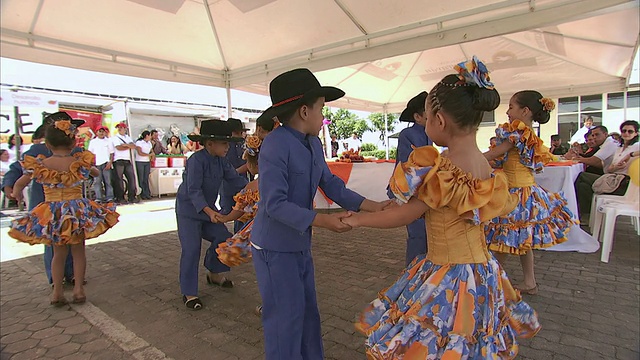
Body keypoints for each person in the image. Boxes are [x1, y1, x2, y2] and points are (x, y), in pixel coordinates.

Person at [343, 57, 540, 358]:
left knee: (437, 340)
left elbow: (406, 214)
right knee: (470, 340)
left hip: (448, 276)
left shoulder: (441, 169)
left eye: (427, 114)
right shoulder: (486, 168)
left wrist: (359, 220)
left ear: (439, 120)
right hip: (482, 273)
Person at [250, 68, 391, 360]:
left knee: (308, 314)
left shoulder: (312, 143)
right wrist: (322, 220)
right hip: (274, 248)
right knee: (284, 321)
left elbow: (330, 184)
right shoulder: (275, 145)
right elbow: (273, 204)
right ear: (304, 111)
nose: (323, 117)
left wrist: (372, 206)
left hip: (299, 243)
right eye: (321, 110)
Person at [8, 118, 119, 305]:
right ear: (74, 142)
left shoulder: (41, 164)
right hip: (76, 212)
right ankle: (78, 290)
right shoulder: (78, 163)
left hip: (53, 213)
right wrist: (87, 168)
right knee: (78, 252)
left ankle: (57, 293)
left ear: (48, 143)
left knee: (58, 254)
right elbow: (97, 173)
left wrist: (16, 193)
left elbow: (21, 182)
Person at [484, 90, 576, 295]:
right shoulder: (527, 133)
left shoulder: (519, 131)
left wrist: (469, 157)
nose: (507, 111)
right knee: (520, 240)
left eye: (511, 107)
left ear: (524, 111)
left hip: (516, 193)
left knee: (503, 238)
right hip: (524, 192)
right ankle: (528, 282)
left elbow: (496, 153)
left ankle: (494, 281)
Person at [2, 114, 85, 286]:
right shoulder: (36, 152)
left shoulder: (77, 152)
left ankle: (70, 275)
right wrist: (9, 186)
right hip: (46, 206)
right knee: (54, 244)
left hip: (71, 206)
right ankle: (56, 279)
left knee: (70, 241)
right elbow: (16, 169)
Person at [175, 120, 248, 310]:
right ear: (209, 144)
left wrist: (258, 188)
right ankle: (189, 292)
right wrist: (210, 212)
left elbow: (235, 180)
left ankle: (214, 274)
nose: (228, 147)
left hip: (208, 212)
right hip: (189, 212)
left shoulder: (221, 162)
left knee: (223, 237)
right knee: (191, 249)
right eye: (224, 143)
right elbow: (193, 191)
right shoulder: (195, 161)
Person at [391, 90, 432, 265]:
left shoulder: (429, 134)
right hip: (411, 190)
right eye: (429, 113)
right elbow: (411, 165)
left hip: (424, 190)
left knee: (426, 233)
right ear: (418, 116)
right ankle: (412, 270)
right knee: (417, 233)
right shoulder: (408, 135)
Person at [216, 134, 262, 267]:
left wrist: (224, 218)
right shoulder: (284, 182)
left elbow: (238, 211)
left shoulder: (252, 187)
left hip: (263, 235)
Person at [574, 125, 619, 218]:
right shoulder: (607, 144)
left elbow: (593, 160)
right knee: (582, 185)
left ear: (605, 134)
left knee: (580, 176)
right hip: (610, 178)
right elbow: (600, 163)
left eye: (597, 135)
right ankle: (587, 214)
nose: (594, 138)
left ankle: (581, 212)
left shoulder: (609, 144)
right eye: (593, 135)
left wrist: (576, 159)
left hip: (614, 181)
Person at [220, 118, 250, 233]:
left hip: (242, 183)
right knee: (226, 211)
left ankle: (238, 237)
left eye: (240, 133)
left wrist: (234, 173)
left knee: (242, 212)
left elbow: (249, 164)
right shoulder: (225, 146)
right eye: (236, 132)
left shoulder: (246, 145)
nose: (239, 135)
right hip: (227, 185)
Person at [111, 122, 139, 204]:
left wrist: (125, 145)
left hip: (127, 160)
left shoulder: (128, 137)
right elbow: (118, 147)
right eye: (118, 127)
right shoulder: (115, 138)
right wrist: (128, 146)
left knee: (131, 178)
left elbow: (133, 146)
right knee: (119, 180)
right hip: (118, 160)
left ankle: (132, 196)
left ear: (125, 129)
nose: (119, 128)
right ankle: (120, 197)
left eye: (121, 127)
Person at [88, 126, 115, 203]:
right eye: (100, 131)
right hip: (97, 164)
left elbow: (112, 153)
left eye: (103, 131)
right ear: (96, 132)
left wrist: (110, 163)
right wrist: (92, 164)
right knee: (97, 182)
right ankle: (99, 198)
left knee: (108, 182)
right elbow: (90, 154)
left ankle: (109, 197)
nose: (101, 133)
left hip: (106, 163)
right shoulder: (93, 142)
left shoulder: (108, 141)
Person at [135, 130, 153, 200]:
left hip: (147, 162)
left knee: (146, 178)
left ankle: (147, 193)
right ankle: (141, 193)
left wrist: (152, 155)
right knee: (141, 178)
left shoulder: (149, 143)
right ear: (147, 136)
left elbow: (151, 151)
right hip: (140, 161)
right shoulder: (139, 142)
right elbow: (140, 152)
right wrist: (148, 155)